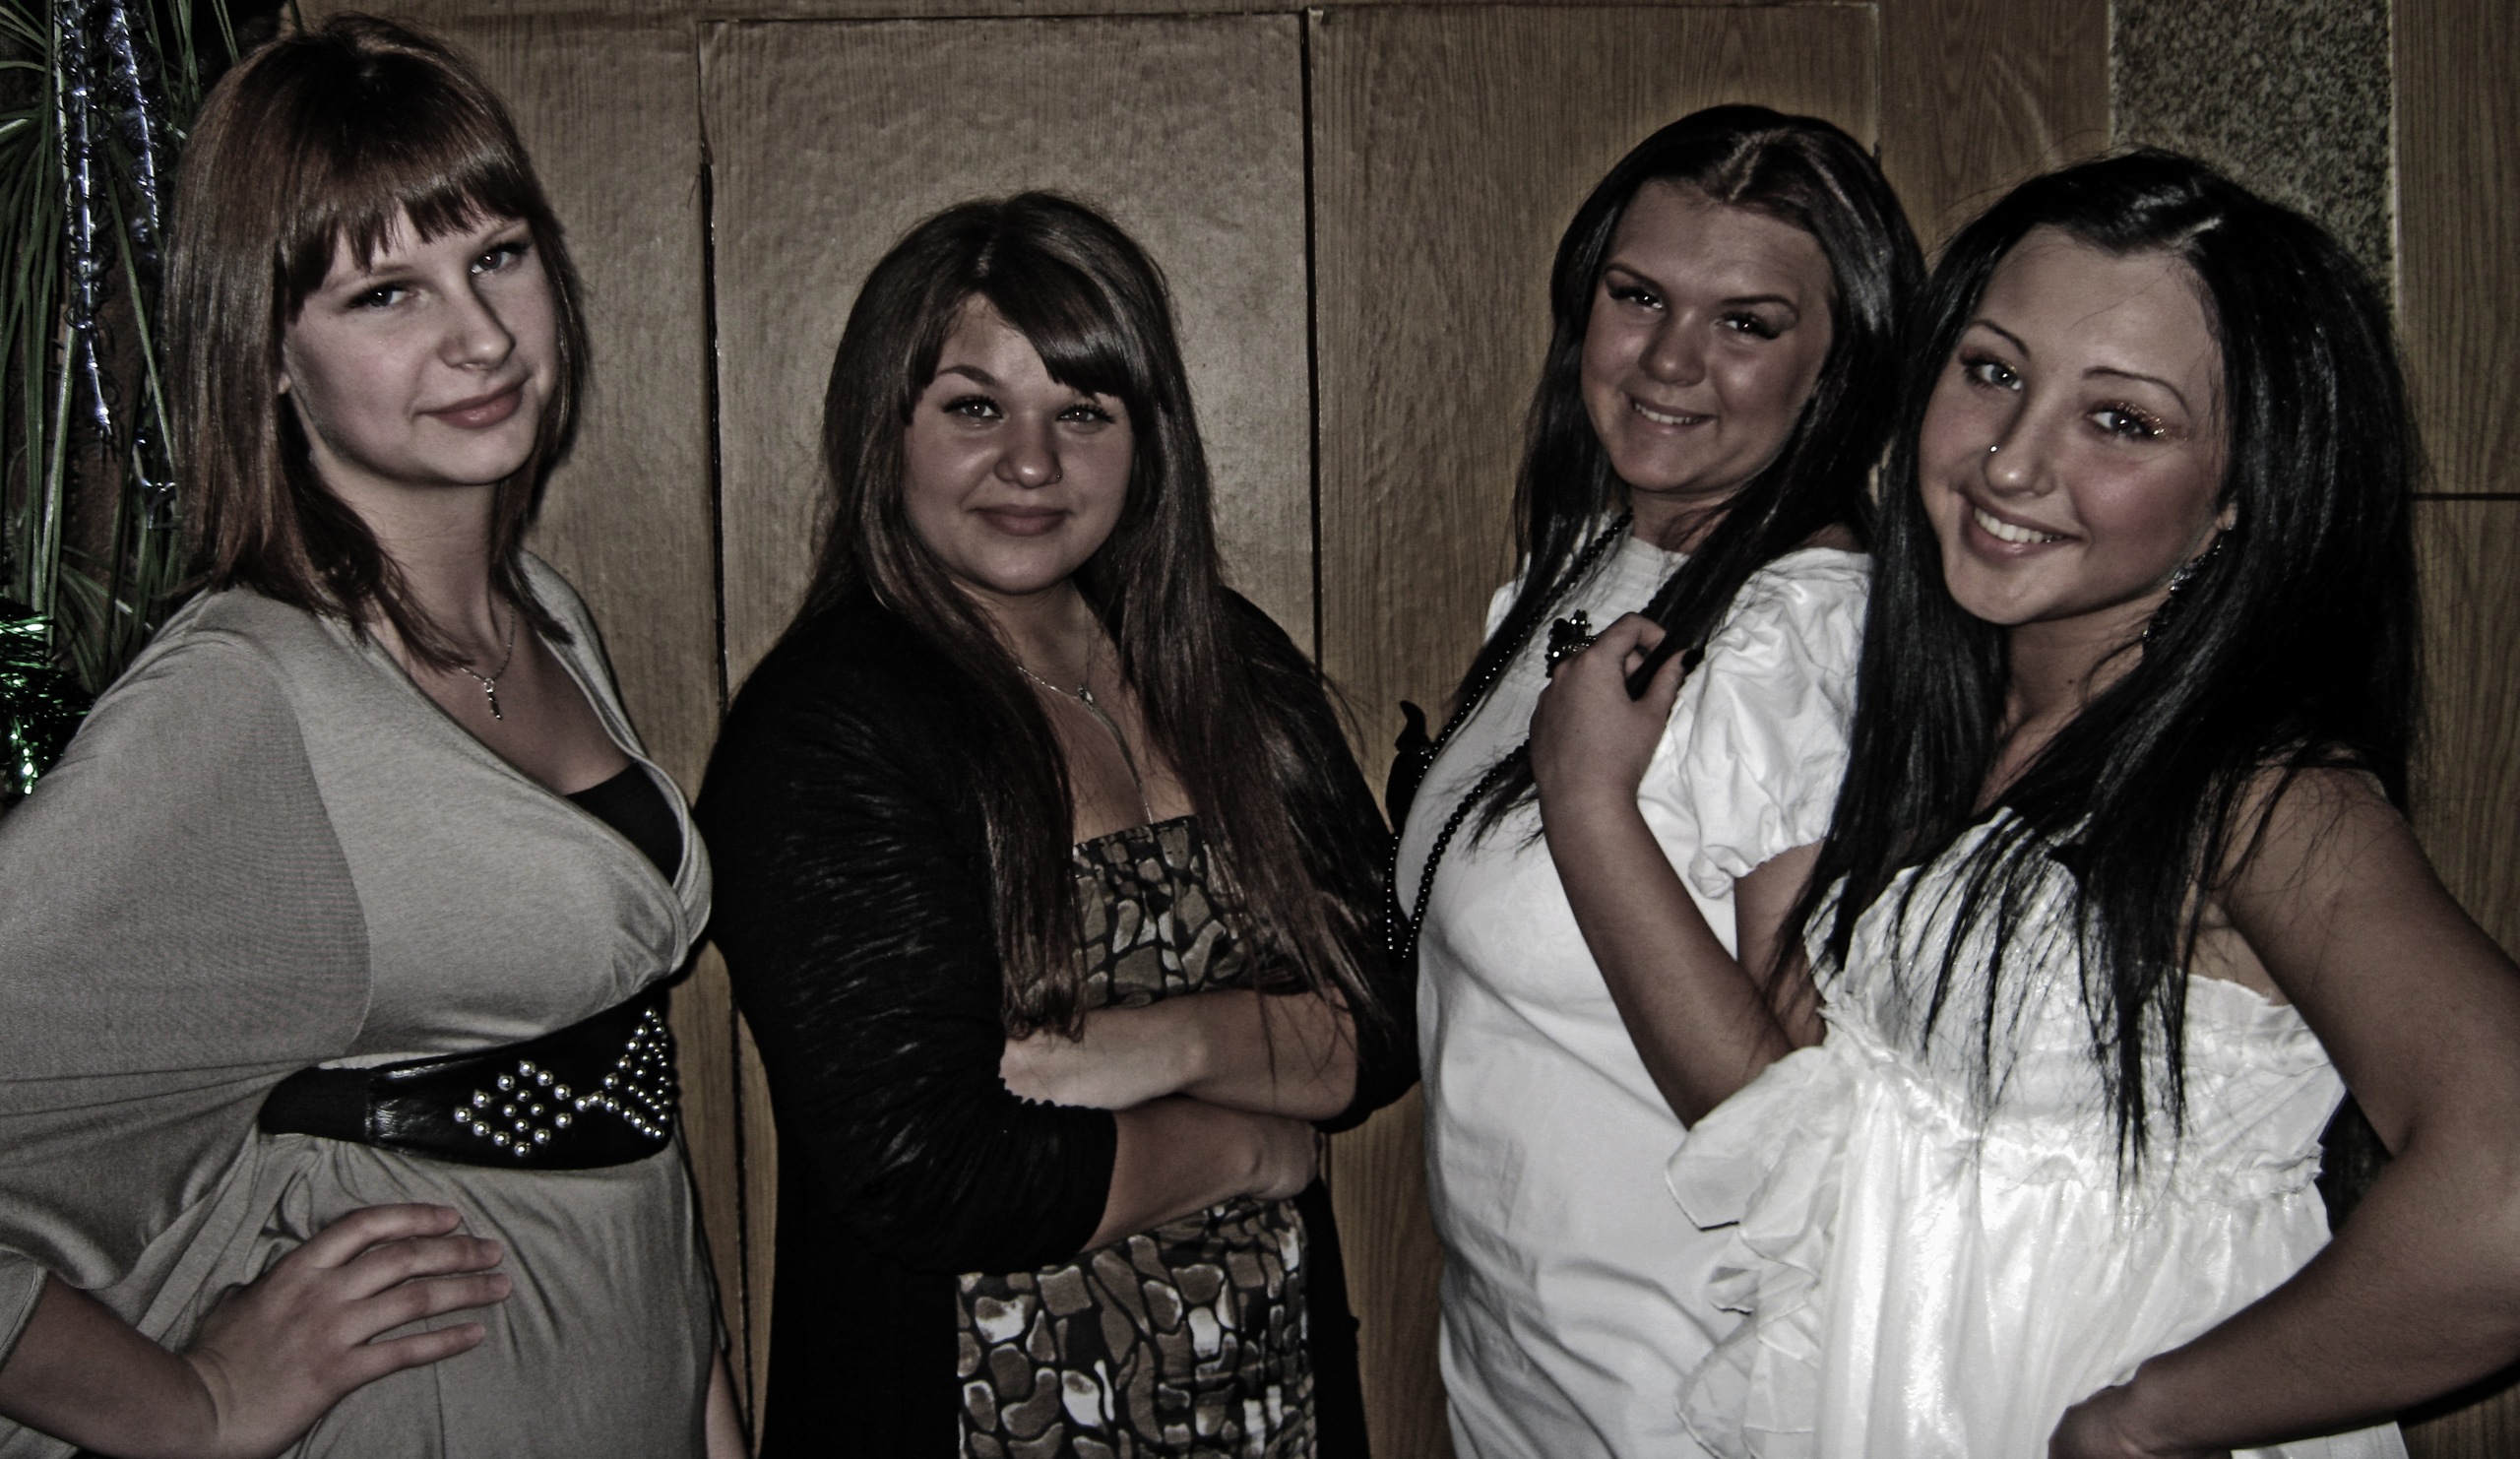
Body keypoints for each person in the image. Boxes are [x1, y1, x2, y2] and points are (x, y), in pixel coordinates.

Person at [1539, 150, 2520, 1455]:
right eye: (1994, 372)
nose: (2009, 462)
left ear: (2241, 490)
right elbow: (1809, 1128)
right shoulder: (1958, 732)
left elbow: (2505, 1187)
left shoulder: (2256, 791)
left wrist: (2146, 1420)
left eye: (2121, 421)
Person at [0, 18, 740, 1457]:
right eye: (386, 291)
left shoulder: (544, 617)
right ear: (268, 352)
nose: (480, 335)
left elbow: (617, 1084)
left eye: (498, 256)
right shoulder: (241, 702)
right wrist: (194, 1406)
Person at [698, 192, 1410, 1456]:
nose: (1031, 465)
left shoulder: (1228, 664)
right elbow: (928, 1168)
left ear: (1147, 439)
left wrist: (1153, 1044)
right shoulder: (824, 729)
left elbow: (1389, 1013)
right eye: (974, 409)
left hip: (1269, 1404)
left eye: (1082, 412)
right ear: (884, 427)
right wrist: (1252, 1146)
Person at [1390, 105, 1921, 1459]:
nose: (1672, 359)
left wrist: (1588, 802)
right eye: (1639, 297)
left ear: (1839, 364)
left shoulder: (1801, 640)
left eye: (1746, 322)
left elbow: (1799, 1127)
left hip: (1694, 1407)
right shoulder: (1586, 566)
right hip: (1527, 1379)